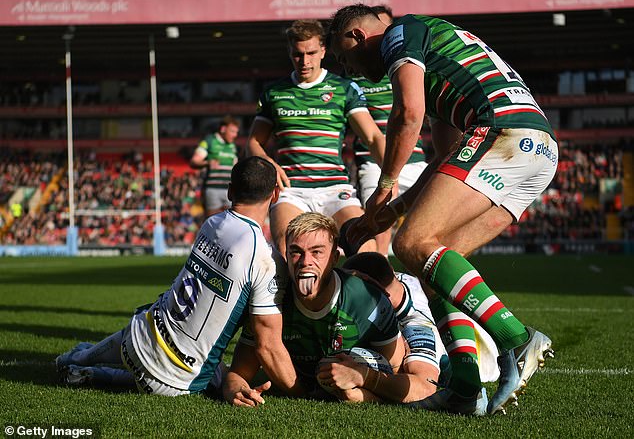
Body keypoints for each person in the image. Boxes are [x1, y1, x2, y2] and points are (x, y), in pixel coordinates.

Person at [327, 5, 556, 415]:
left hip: (500, 129)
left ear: (358, 37)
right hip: (537, 147)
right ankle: (466, 389)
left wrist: (384, 186)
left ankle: (517, 339)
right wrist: (392, 208)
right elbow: (448, 156)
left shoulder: (401, 33)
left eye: (344, 59)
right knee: (436, 260)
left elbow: (406, 113)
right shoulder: (436, 64)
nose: (350, 71)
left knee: (412, 244)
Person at [55, 157, 302, 398]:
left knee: (145, 338)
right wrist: (304, 392)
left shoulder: (211, 223)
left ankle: (74, 360)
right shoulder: (264, 259)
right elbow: (267, 346)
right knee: (216, 376)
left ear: (229, 192)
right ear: (275, 195)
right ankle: (96, 375)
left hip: (138, 335)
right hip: (173, 379)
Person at [223, 212, 405, 406]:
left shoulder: (367, 301)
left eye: (317, 252)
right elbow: (237, 373)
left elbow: (395, 374)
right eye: (296, 252)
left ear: (335, 257)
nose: (305, 261)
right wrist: (237, 390)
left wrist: (360, 391)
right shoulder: (270, 298)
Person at [246, 19, 385, 257]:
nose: (305, 61)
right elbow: (254, 142)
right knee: (287, 249)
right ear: (289, 52)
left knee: (366, 248)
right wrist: (266, 161)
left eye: (311, 53)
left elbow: (373, 137)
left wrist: (390, 180)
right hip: (291, 191)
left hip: (336, 188)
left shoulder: (344, 88)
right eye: (297, 55)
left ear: (323, 50)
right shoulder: (274, 92)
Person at [337, 252, 499, 414]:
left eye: (351, 291)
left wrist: (364, 378)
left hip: (483, 369)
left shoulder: (418, 323)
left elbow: (424, 388)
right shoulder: (394, 283)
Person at [348, 5, 429, 256]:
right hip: (374, 162)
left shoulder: (411, 64)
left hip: (415, 158)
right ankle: (380, 278)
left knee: (431, 221)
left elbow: (413, 112)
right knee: (378, 222)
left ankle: (426, 288)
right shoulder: (358, 74)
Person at [190, 115, 240, 217]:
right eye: (232, 131)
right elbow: (194, 161)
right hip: (213, 190)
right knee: (212, 222)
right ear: (223, 129)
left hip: (230, 190)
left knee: (231, 221)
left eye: (236, 132)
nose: (235, 135)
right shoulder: (209, 141)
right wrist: (208, 163)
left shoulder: (233, 146)